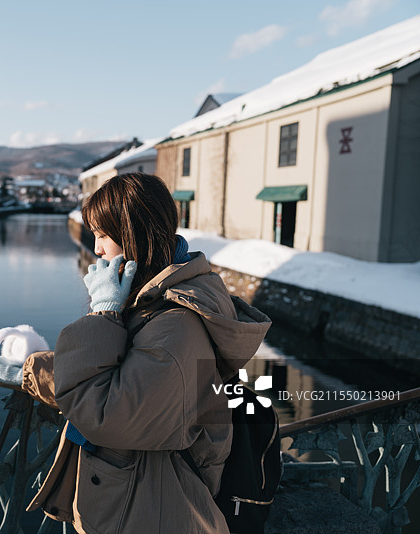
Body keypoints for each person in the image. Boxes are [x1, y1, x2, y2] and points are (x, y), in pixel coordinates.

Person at [19, 173, 272, 533]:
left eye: (103, 235)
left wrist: (103, 311)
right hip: (136, 504)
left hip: (152, 512)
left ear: (135, 234)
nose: (96, 249)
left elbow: (106, 412)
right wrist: (30, 369)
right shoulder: (152, 303)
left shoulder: (176, 326)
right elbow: (116, 372)